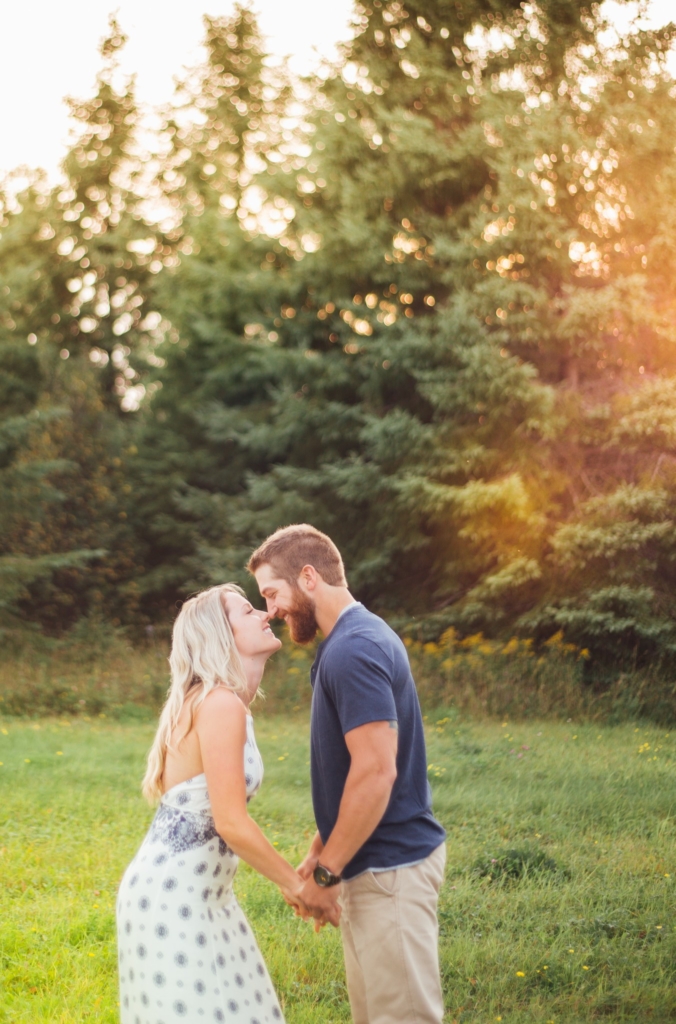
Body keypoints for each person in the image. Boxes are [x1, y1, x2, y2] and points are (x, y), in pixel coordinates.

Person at [249, 524, 447, 1024]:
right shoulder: (345, 644)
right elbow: (352, 774)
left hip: (390, 870)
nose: (270, 610)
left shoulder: (354, 649)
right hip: (369, 865)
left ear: (309, 577)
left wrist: (325, 872)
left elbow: (378, 772)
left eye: (272, 593)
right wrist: (321, 848)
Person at [116, 583, 318, 1024]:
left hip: (209, 897)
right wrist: (296, 884)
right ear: (220, 636)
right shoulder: (219, 703)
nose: (265, 615)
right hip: (175, 898)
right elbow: (230, 822)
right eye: (248, 611)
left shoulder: (220, 701)